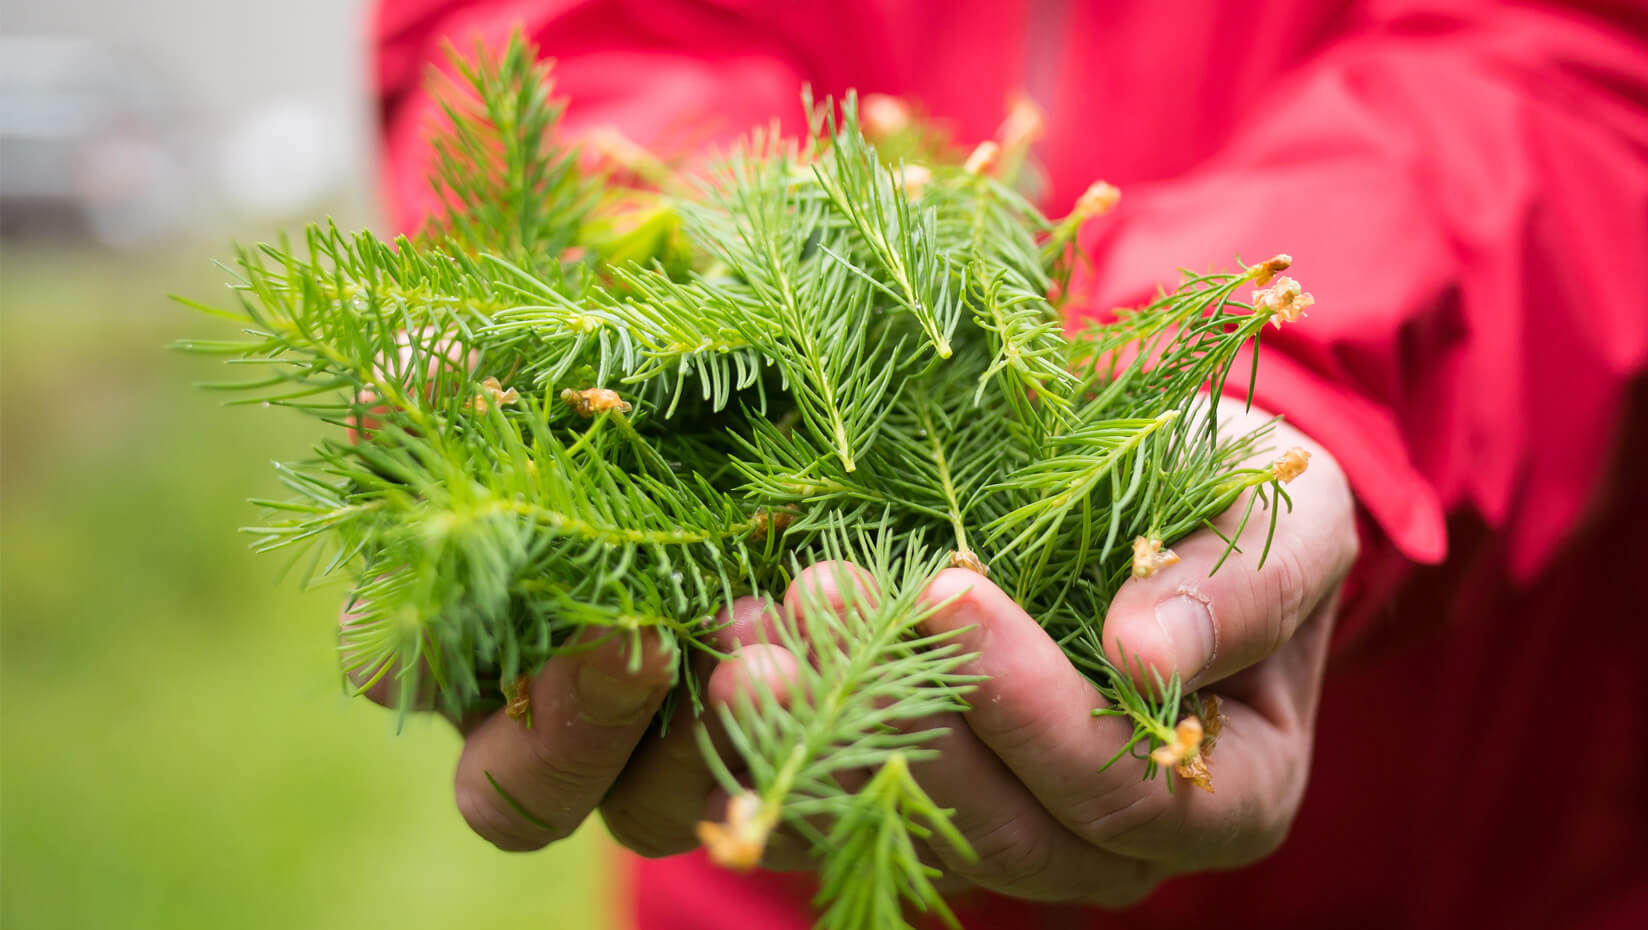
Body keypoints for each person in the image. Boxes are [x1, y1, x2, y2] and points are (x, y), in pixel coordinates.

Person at [365, 2, 1648, 927]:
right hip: (764, 849)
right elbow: (548, 29)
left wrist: (1289, 373)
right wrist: (670, 266)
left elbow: (1576, 67)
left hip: (1459, 841)